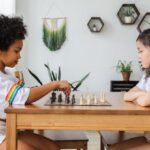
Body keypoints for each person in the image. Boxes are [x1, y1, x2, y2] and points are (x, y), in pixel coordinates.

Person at [0, 15, 71, 150]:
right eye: (16, 51)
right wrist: (54, 84)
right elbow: (25, 96)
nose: (19, 56)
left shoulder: (7, 74)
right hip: (1, 133)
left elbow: (24, 92)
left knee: (52, 147)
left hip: (8, 128)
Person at [109, 29, 150, 150]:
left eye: (141, 51)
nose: (138, 57)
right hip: (148, 137)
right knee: (112, 149)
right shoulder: (147, 75)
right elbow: (127, 95)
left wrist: (142, 97)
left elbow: (144, 102)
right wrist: (144, 94)